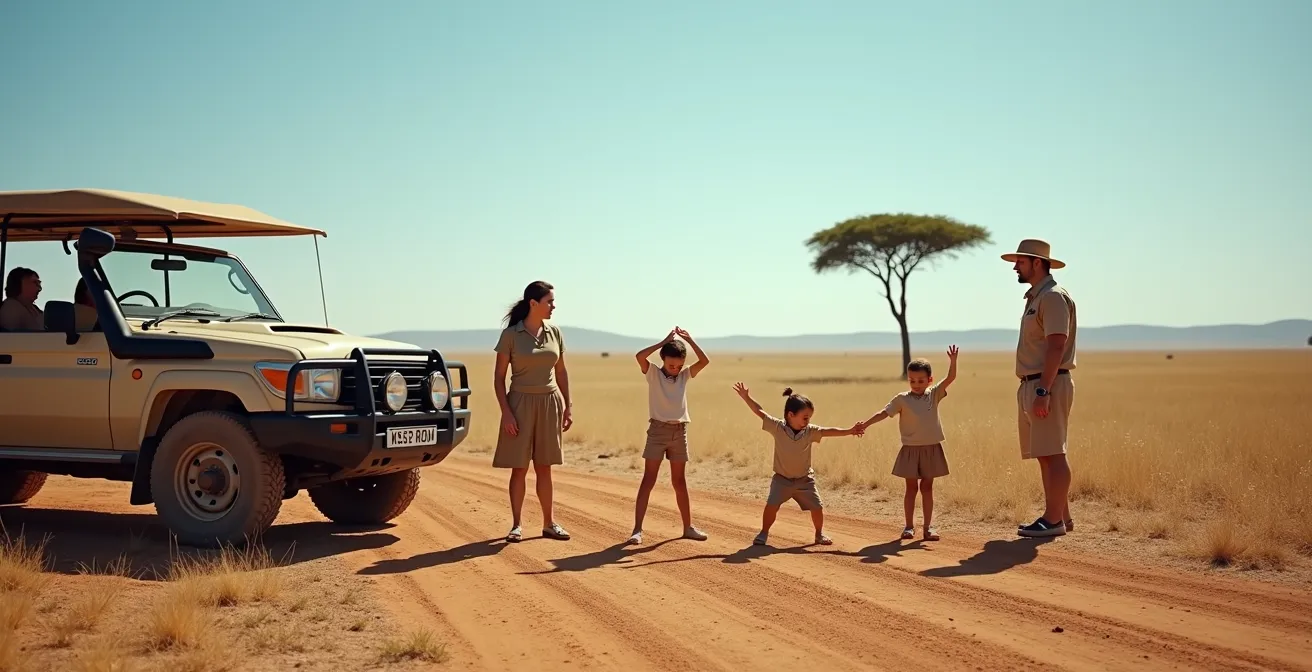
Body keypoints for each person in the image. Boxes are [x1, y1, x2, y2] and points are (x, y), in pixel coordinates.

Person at [1003, 239, 1077, 539]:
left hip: (1046, 384)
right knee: (1045, 454)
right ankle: (1062, 517)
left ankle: (1053, 520)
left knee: (1053, 454)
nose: (1015, 267)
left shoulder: (1053, 297)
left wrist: (1044, 390)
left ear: (1037, 263)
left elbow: (1057, 344)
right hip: (1033, 384)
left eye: (1020, 261)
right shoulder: (1036, 297)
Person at [732, 382, 865, 547]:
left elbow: (828, 431)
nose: (808, 421)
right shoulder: (778, 427)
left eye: (809, 418)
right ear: (790, 415)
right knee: (771, 506)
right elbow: (760, 412)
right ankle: (764, 532)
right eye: (805, 417)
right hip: (781, 480)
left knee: (817, 507)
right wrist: (746, 397)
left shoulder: (809, 431)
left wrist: (850, 430)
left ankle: (819, 534)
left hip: (804, 480)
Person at [492, 280, 574, 543]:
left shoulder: (555, 332)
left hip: (550, 403)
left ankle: (549, 523)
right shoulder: (510, 335)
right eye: (549, 301)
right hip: (519, 404)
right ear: (533, 304)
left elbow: (561, 371)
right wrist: (506, 412)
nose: (554, 306)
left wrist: (567, 405)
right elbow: (498, 378)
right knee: (519, 468)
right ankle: (516, 526)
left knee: (545, 467)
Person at [859, 346, 959, 542]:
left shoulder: (934, 393)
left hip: (931, 448)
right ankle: (909, 527)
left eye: (921, 381)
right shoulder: (902, 399)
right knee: (911, 488)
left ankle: (928, 527)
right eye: (912, 380)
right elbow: (884, 413)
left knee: (928, 488)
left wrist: (953, 362)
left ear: (929, 380)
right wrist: (866, 424)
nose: (916, 384)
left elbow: (950, 379)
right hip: (910, 450)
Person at [627, 327, 711, 545]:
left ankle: (687, 527)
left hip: (679, 431)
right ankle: (637, 530)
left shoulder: (684, 376)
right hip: (657, 431)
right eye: (671, 364)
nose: (675, 369)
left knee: (679, 481)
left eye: (679, 365)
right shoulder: (653, 372)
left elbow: (704, 361)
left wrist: (690, 340)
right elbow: (639, 356)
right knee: (649, 479)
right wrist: (663, 341)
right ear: (663, 359)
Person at [0, 267, 44, 332]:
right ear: (18, 284)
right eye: (35, 283)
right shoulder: (11, 307)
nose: (39, 289)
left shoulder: (33, 308)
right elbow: (9, 339)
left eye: (39, 283)